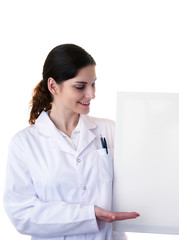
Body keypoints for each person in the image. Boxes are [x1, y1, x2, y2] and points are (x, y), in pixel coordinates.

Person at [3, 44, 140, 240]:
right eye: (80, 86)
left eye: (93, 84)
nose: (91, 94)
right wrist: (88, 214)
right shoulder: (24, 144)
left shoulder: (110, 131)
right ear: (53, 86)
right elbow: (22, 215)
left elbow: (137, 183)